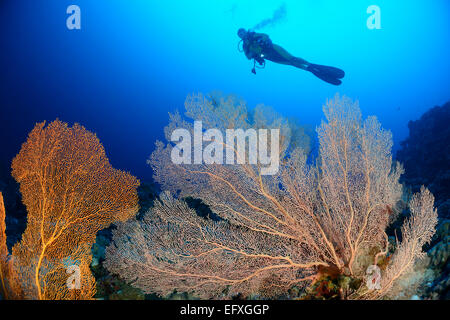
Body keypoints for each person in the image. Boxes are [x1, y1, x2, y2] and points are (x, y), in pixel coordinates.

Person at [237, 28, 345, 85]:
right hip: (269, 57)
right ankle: (308, 69)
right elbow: (248, 57)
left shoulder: (253, 35)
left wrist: (261, 41)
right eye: (240, 34)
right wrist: (252, 54)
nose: (242, 34)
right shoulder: (245, 46)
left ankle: (309, 64)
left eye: (243, 32)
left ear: (246, 31)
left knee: (292, 58)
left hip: (274, 48)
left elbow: (266, 35)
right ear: (240, 37)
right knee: (290, 63)